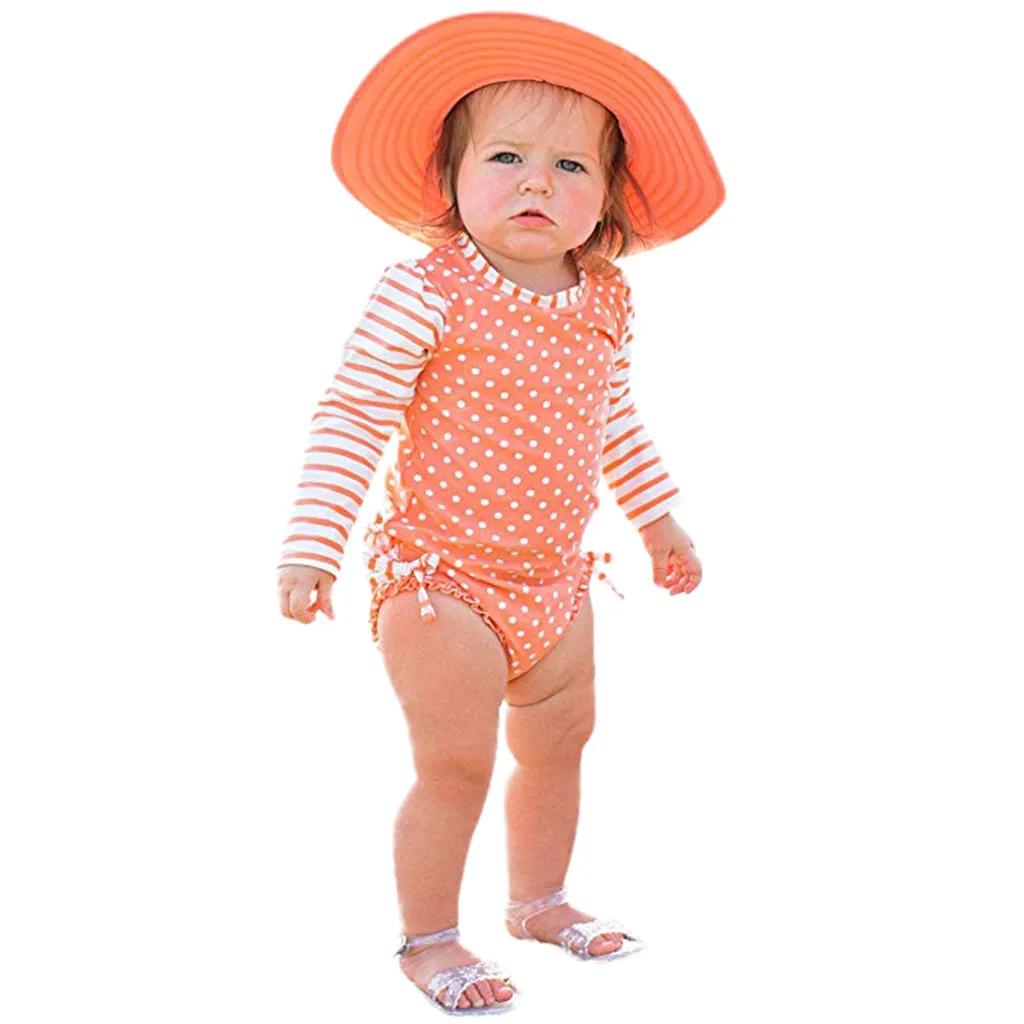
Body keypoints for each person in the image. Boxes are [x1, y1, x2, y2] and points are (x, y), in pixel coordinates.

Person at [275, 12, 724, 1015]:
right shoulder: (425, 291)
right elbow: (352, 413)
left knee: (560, 744)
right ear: (449, 179)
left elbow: (613, 418)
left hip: (556, 583)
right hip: (442, 584)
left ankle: (539, 899)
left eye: (571, 166)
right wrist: (311, 546)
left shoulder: (602, 299)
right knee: (456, 762)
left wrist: (659, 521)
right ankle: (430, 938)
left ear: (607, 198)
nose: (537, 183)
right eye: (507, 156)